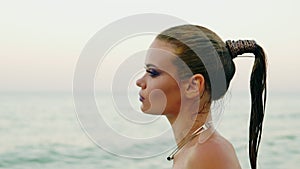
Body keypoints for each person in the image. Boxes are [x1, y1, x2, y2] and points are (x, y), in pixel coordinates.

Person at [136, 25, 267, 169]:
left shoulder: (208, 153)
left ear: (193, 86)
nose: (140, 82)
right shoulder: (192, 150)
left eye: (152, 72)